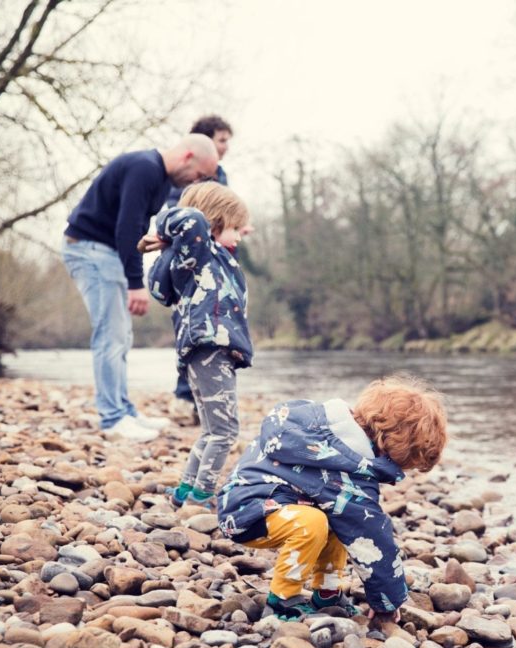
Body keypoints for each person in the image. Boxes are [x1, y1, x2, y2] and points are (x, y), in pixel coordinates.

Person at [216, 375, 448, 621]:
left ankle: (327, 593)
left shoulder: (314, 424)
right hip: (248, 514)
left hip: (245, 500)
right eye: (404, 464)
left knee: (338, 516)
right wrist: (388, 601)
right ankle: (283, 600)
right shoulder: (347, 467)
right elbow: (371, 537)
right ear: (390, 445)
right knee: (317, 521)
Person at [62, 134, 218, 442]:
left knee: (121, 335)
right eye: (199, 175)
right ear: (187, 156)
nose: (197, 181)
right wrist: (136, 284)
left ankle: (124, 410)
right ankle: (112, 419)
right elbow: (126, 227)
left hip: (105, 251)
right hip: (90, 249)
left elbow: (136, 228)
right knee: (110, 335)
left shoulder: (160, 178)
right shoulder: (144, 168)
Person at [141, 182, 254, 506]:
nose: (239, 237)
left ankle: (186, 490)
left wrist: (230, 226)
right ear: (214, 225)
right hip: (210, 349)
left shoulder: (205, 256)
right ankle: (202, 497)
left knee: (211, 429)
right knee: (225, 431)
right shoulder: (197, 253)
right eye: (235, 229)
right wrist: (167, 234)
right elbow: (190, 218)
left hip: (204, 350)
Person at [164, 116, 234, 422]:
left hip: (215, 268)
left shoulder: (222, 175)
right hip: (187, 268)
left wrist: (236, 229)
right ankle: (183, 399)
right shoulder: (183, 177)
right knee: (191, 330)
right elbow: (173, 217)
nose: (226, 146)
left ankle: (205, 401)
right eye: (221, 140)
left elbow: (223, 214)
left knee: (216, 332)